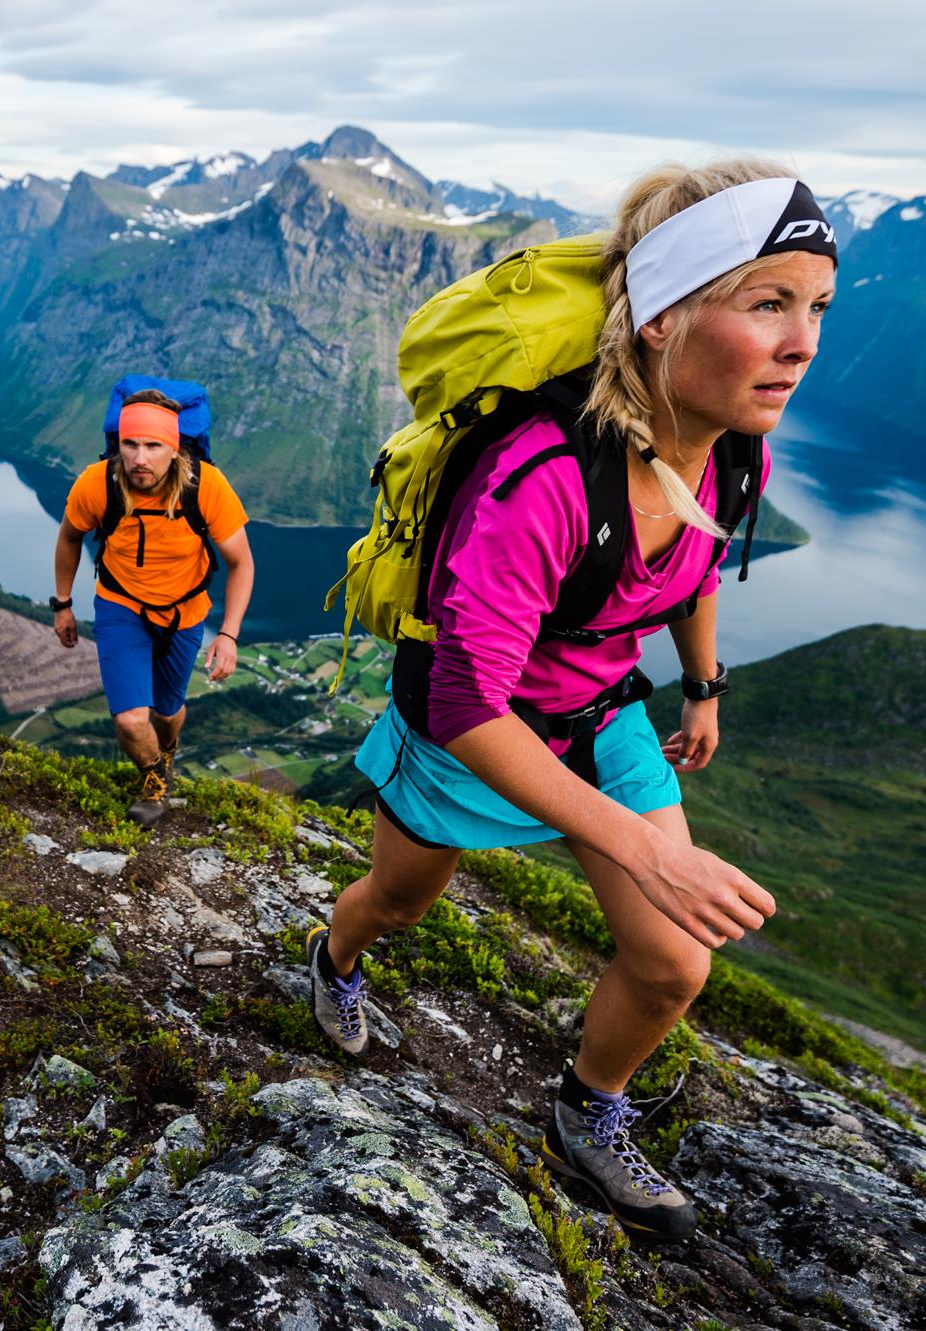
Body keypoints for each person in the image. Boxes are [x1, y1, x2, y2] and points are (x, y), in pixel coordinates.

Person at [308, 161, 835, 1240]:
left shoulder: (734, 450)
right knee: (398, 900)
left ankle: (585, 1110)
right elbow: (463, 699)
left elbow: (685, 567)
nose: (802, 343)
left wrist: (700, 685)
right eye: (766, 303)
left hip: (600, 716)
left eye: (815, 306)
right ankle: (334, 957)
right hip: (470, 734)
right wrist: (641, 847)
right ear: (660, 318)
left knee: (671, 957)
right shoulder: (541, 480)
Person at [51, 387, 255, 826]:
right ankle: (155, 781)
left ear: (175, 447)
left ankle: (167, 752)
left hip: (185, 612)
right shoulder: (97, 482)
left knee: (167, 711)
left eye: (153, 445)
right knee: (129, 720)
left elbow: (241, 562)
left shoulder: (206, 486)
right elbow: (69, 537)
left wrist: (229, 633)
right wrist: (62, 604)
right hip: (120, 605)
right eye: (130, 444)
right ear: (119, 443)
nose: (140, 458)